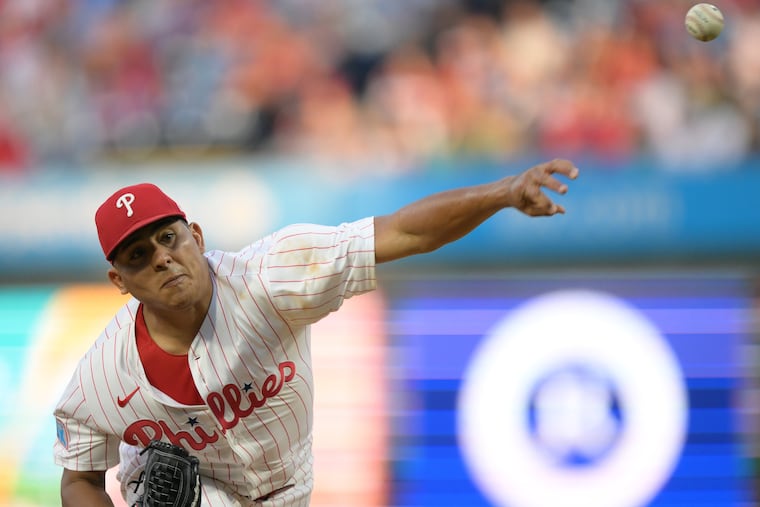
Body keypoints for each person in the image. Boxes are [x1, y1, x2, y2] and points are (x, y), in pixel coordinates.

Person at [52, 158, 579, 506]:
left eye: (169, 239)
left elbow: (404, 231)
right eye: (140, 257)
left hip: (289, 486)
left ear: (196, 235)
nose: (164, 259)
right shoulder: (101, 378)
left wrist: (504, 192)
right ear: (119, 281)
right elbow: (79, 477)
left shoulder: (271, 277)